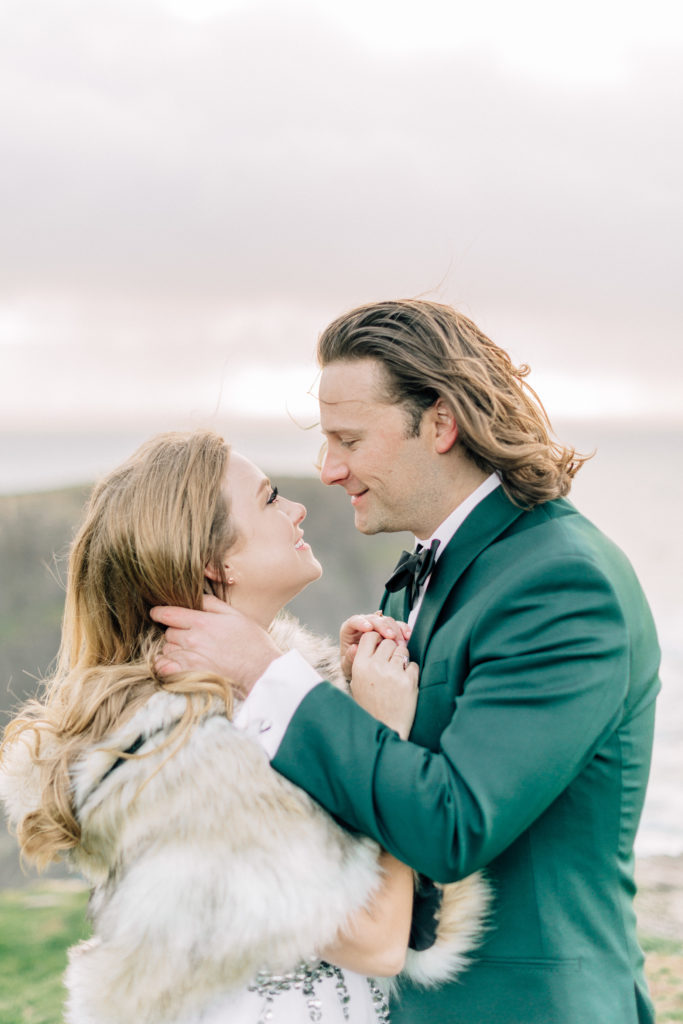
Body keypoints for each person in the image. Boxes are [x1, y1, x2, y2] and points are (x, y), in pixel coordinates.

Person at [151, 301, 662, 1024]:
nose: (327, 470)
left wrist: (269, 674)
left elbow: (453, 826)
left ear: (440, 424)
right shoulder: (427, 574)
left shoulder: (561, 583)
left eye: (348, 440)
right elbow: (383, 791)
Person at [0, 430, 489, 1024]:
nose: (298, 507)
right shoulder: (186, 748)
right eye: (269, 498)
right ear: (214, 561)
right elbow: (377, 941)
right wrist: (385, 733)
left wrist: (338, 708)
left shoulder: (248, 704)